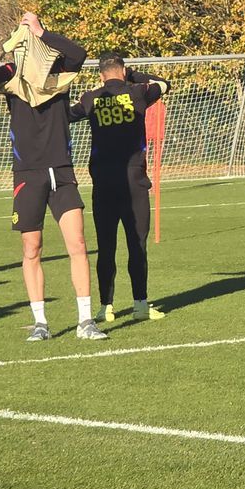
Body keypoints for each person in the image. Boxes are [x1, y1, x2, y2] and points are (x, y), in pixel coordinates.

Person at [0, 11, 105, 341]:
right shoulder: (11, 76)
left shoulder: (59, 72)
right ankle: (40, 322)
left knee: (78, 244)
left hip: (61, 170)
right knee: (32, 248)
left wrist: (43, 30)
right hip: (27, 173)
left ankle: (86, 321)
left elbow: (79, 54)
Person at [74, 53, 169, 324]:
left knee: (106, 248)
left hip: (103, 184)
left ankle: (106, 307)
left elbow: (67, 115)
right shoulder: (138, 92)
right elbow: (164, 84)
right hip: (134, 184)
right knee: (136, 245)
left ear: (101, 74)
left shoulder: (91, 98)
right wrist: (135, 75)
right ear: (123, 71)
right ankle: (140, 303)